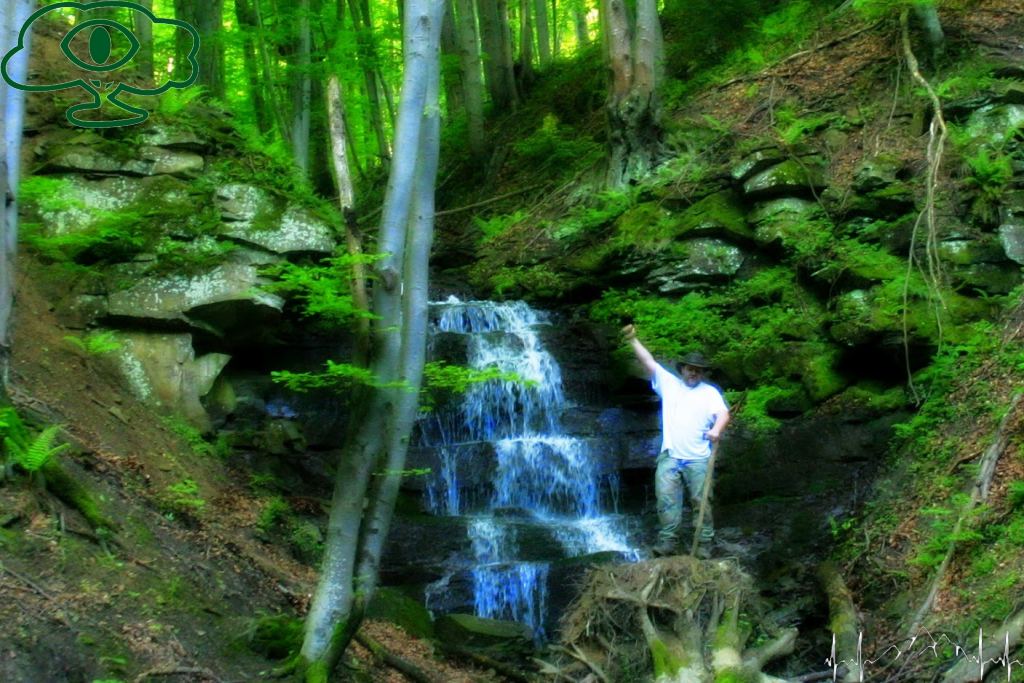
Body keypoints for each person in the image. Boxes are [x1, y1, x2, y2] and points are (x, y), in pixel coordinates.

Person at [622, 324, 730, 558]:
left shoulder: (710, 393)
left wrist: (716, 430)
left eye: (698, 371)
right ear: (683, 370)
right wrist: (632, 340)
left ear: (702, 373)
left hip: (699, 457)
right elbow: (648, 362)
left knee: (702, 501)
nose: (694, 373)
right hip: (670, 455)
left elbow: (723, 414)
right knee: (666, 500)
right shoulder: (669, 384)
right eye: (690, 369)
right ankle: (668, 542)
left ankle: (704, 544)